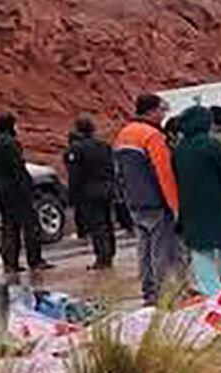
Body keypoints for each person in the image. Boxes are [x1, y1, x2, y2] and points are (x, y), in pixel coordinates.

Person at [173, 106, 221, 297]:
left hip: (191, 209)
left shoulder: (179, 149)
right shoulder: (212, 145)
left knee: (201, 253)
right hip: (219, 208)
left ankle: (212, 294)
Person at [115, 93, 182, 303]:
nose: (163, 115)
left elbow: (118, 173)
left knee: (143, 249)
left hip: (134, 203)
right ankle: (164, 294)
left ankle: (148, 292)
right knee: (161, 251)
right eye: (162, 110)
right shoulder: (152, 136)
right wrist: (174, 205)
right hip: (156, 202)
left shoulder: (123, 134)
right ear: (152, 111)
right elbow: (164, 173)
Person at [0, 112, 48, 277]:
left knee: (9, 227)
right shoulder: (11, 144)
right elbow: (18, 170)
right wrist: (28, 189)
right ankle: (35, 260)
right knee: (30, 226)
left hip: (2, 191)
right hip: (17, 191)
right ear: (11, 125)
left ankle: (11, 262)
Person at [63, 115, 116, 270]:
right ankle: (110, 252)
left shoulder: (77, 149)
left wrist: (72, 195)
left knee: (97, 225)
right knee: (107, 223)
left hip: (89, 191)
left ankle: (102, 257)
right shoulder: (103, 145)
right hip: (106, 188)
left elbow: (75, 175)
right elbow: (111, 167)